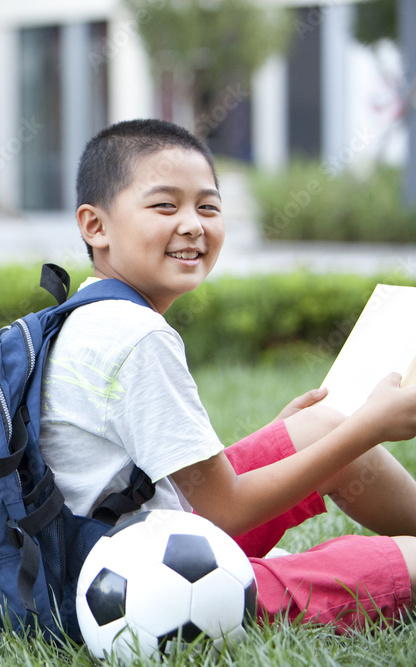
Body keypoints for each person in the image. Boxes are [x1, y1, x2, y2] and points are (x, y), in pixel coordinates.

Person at [40, 118, 416, 632]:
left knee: (322, 426)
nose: (193, 224)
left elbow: (182, 479)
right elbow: (227, 511)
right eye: (165, 206)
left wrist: (315, 433)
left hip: (104, 545)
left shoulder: (86, 311)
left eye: (208, 206)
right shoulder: (136, 337)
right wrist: (370, 426)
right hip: (143, 592)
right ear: (95, 225)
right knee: (406, 557)